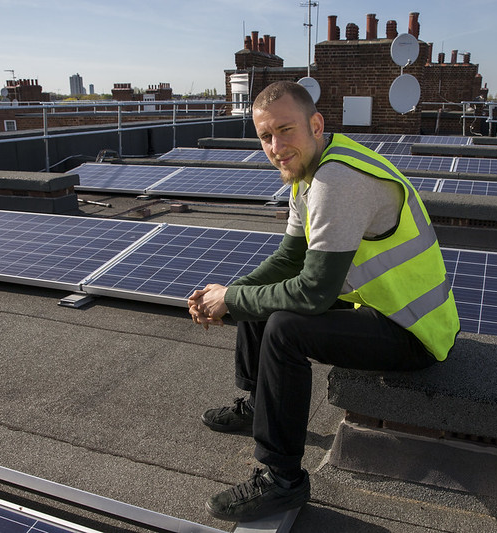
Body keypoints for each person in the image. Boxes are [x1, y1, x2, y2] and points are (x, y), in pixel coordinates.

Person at [188, 80, 460, 523]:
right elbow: (288, 261)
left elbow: (313, 291)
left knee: (284, 328)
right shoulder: (307, 172)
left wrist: (233, 299)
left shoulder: (336, 180)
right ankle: (260, 404)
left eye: (285, 130)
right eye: (265, 136)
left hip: (414, 332)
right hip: (374, 308)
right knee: (259, 300)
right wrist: (227, 295)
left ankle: (283, 480)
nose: (276, 146)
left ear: (315, 124)